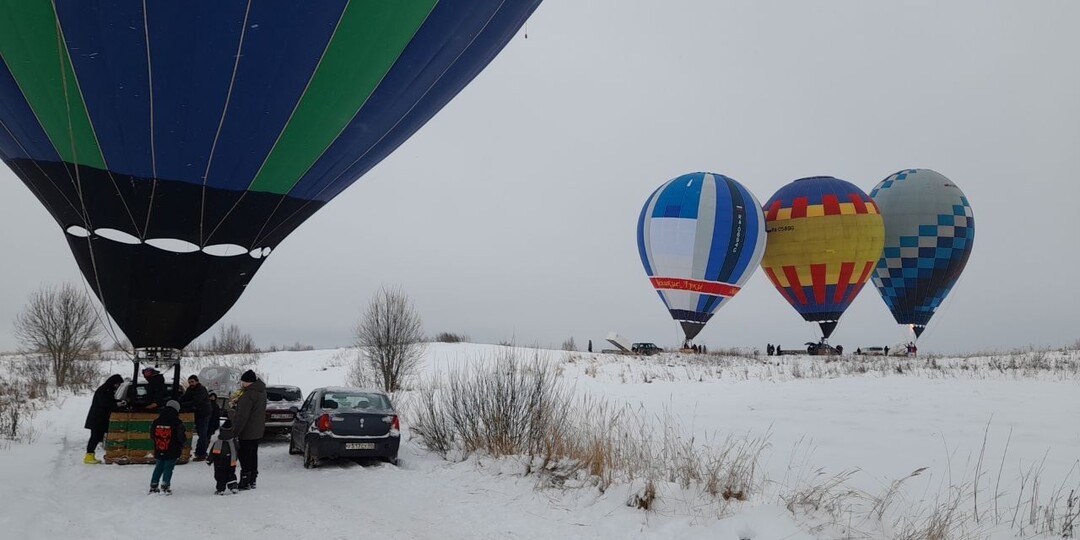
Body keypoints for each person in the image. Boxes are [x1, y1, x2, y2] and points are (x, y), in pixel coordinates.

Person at [230, 369, 266, 490]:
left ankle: (245, 481)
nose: (242, 383)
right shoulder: (262, 392)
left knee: (245, 456)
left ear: (248, 382)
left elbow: (242, 416)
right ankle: (252, 480)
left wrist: (235, 432)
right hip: (257, 430)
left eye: (243, 381)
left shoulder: (248, 395)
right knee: (253, 455)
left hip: (247, 431)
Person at [84, 374, 125, 464]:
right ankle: (89, 456)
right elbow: (105, 403)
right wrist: (116, 405)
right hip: (97, 418)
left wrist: (117, 403)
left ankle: (90, 455)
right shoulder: (104, 390)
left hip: (100, 418)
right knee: (95, 437)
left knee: (98, 437)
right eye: (117, 384)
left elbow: (110, 401)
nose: (117, 386)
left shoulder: (108, 389)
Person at [149, 400, 186, 494]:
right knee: (168, 467)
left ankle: (153, 485)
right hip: (172, 449)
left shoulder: (157, 421)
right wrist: (182, 444)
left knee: (159, 466)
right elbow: (181, 437)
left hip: (159, 447)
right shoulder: (177, 422)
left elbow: (152, 434)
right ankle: (165, 486)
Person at [180, 374, 213, 461]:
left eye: (192, 382)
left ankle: (201, 453)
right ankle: (199, 452)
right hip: (196, 413)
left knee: (202, 434)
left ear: (197, 381)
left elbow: (196, 401)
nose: (191, 383)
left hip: (203, 414)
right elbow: (185, 397)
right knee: (200, 433)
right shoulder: (190, 389)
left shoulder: (201, 389)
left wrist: (183, 405)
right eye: (189, 382)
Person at [206, 419, 239, 495]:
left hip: (219, 461)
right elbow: (238, 449)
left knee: (220, 475)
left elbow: (213, 453)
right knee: (231, 473)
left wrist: (209, 460)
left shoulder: (218, 442)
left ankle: (220, 489)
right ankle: (233, 486)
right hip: (231, 460)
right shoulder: (233, 441)